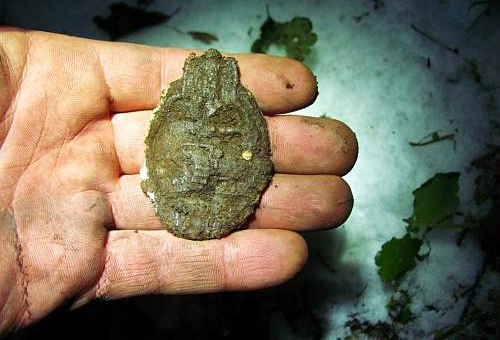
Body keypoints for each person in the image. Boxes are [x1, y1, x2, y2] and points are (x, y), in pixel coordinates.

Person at [0, 28, 358, 333]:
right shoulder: (183, 103)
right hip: (183, 188)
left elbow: (247, 144)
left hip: (220, 190)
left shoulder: (233, 108)